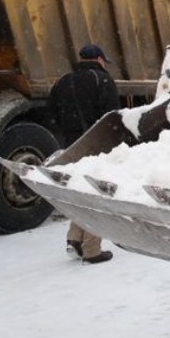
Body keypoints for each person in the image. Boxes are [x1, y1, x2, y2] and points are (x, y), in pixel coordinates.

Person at [47, 44, 120, 264]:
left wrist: (69, 136)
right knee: (95, 193)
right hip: (95, 145)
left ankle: (74, 239)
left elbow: (51, 114)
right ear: (99, 59)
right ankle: (91, 249)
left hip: (71, 146)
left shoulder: (63, 81)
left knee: (78, 190)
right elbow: (112, 117)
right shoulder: (102, 80)